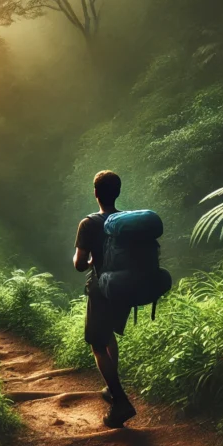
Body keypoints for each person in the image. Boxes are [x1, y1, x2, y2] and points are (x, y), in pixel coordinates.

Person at [73, 170, 137, 428]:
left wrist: (85, 258)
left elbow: (80, 265)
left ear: (96, 193)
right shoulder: (127, 221)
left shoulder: (88, 224)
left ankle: (120, 400)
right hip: (124, 289)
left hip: (101, 291)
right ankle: (112, 389)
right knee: (108, 335)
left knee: (97, 345)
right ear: (118, 192)